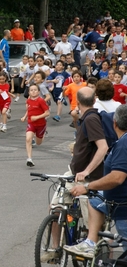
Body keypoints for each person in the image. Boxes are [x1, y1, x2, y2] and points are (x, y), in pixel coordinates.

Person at [64, 104, 127, 258]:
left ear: (115, 124)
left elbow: (117, 177)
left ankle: (91, 243)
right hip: (116, 205)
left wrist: (88, 186)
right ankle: (91, 242)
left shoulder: (123, 145)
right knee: (95, 201)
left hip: (123, 210)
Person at [20, 84, 50, 167]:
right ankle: (29, 159)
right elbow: (29, 110)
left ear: (39, 92)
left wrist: (37, 117)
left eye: (35, 90)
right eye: (31, 90)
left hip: (41, 124)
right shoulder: (29, 100)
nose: (33, 91)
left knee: (38, 143)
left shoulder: (41, 101)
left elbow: (47, 113)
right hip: (31, 123)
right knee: (28, 139)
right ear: (29, 92)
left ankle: (43, 134)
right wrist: (24, 116)